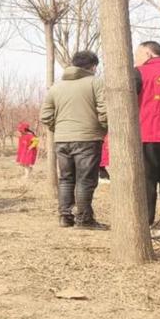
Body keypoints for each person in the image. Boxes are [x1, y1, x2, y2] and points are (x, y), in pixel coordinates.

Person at [40, 50, 107, 229]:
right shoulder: (96, 82)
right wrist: (102, 127)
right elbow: (104, 110)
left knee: (66, 179)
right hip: (87, 138)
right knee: (86, 179)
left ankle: (65, 217)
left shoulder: (56, 86)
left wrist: (59, 128)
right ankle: (84, 219)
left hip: (62, 139)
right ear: (93, 66)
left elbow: (45, 116)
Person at [135, 41, 160, 238]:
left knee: (147, 181)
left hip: (149, 133)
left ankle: (146, 224)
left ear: (148, 53)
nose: (136, 59)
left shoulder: (139, 72)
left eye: (138, 54)